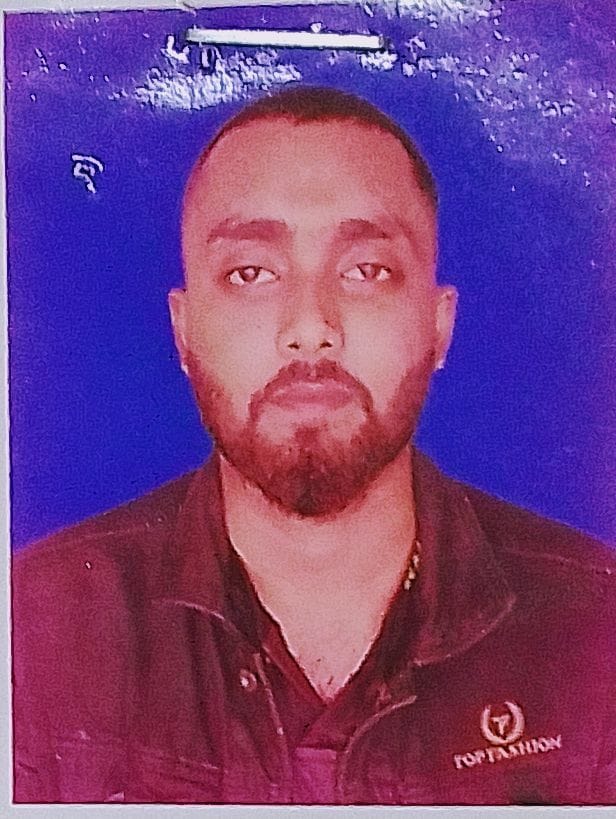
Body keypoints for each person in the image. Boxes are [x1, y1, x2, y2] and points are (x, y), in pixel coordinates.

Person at [12, 86, 615, 806]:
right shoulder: (32, 634)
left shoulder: (597, 632)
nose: (309, 328)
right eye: (251, 273)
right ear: (184, 332)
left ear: (438, 326)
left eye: (366, 270)